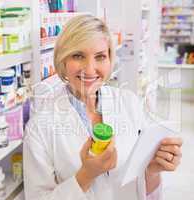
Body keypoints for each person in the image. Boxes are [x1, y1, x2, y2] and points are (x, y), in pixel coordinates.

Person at [23, 15, 183, 200]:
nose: (90, 69)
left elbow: (144, 186)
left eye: (100, 57)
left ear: (110, 60)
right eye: (78, 56)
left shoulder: (129, 103)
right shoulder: (39, 126)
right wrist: (86, 176)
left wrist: (153, 170)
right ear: (62, 60)